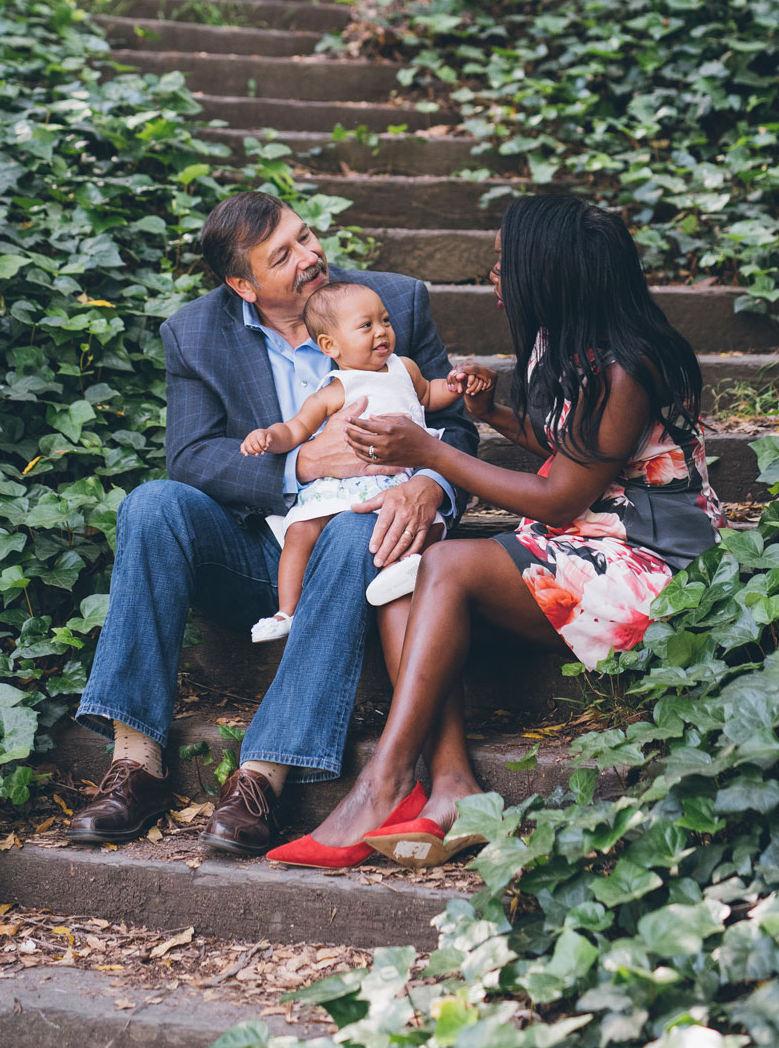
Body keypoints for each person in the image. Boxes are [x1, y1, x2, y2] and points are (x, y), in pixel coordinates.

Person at [265, 189, 724, 871]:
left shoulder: (629, 364)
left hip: (650, 557)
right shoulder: (557, 342)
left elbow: (563, 494)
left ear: (550, 271)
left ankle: (381, 784)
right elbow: (581, 445)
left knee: (446, 565)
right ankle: (450, 786)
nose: (493, 277)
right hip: (586, 536)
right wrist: (498, 416)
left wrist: (430, 453)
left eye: (505, 263)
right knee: (400, 576)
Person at [64, 191, 479, 856]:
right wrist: (300, 467)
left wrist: (430, 485)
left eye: (306, 236)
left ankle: (261, 776)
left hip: (365, 537)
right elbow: (192, 455)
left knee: (349, 526)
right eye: (282, 255)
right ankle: (135, 763)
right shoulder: (194, 334)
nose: (310, 256)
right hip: (261, 551)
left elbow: (452, 425)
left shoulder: (390, 306)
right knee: (151, 504)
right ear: (242, 284)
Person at [240, 280, 470, 643]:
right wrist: (268, 437)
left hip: (399, 479)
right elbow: (296, 429)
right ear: (330, 345)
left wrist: (457, 386)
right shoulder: (334, 390)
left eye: (385, 321)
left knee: (429, 521)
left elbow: (428, 394)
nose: (382, 332)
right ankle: (287, 610)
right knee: (300, 531)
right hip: (345, 485)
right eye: (367, 326)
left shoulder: (404, 367)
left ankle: (410, 566)